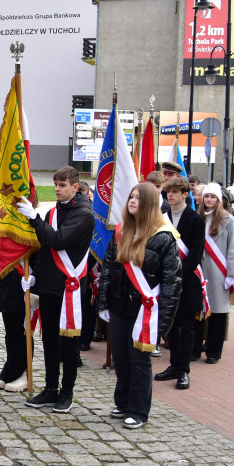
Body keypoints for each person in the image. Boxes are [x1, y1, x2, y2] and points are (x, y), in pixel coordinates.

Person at [98, 183, 181, 429]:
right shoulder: (122, 231)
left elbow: (172, 284)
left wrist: (163, 323)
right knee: (121, 358)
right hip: (120, 304)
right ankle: (122, 403)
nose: (132, 201)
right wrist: (104, 301)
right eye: (131, 196)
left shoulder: (165, 237)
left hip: (146, 310)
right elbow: (108, 269)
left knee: (139, 359)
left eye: (138, 198)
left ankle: (139, 410)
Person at [15, 166, 94, 414]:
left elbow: (59, 240)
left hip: (68, 289)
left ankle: (66, 392)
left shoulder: (84, 214)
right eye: (56, 185)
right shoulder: (54, 212)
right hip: (49, 286)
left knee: (68, 343)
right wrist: (34, 274)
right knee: (49, 340)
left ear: (75, 187)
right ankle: (50, 388)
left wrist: (35, 219)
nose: (57, 189)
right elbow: (44, 248)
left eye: (62, 185)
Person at [154, 176, 204, 391]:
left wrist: (178, 275)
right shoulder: (161, 218)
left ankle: (184, 370)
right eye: (168, 192)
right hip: (166, 281)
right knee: (170, 326)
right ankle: (174, 365)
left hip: (187, 280)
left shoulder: (195, 220)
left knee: (186, 326)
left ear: (185, 194)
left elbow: (196, 253)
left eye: (175, 192)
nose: (170, 195)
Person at [195, 183, 234, 364]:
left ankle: (214, 351)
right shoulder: (197, 218)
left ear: (219, 199)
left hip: (220, 272)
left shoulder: (228, 220)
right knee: (198, 311)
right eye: (206, 196)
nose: (209, 200)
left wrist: (232, 273)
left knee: (218, 313)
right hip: (199, 271)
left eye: (213, 197)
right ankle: (194, 349)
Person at [0, 242, 35, 391]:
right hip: (6, 288)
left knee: (23, 333)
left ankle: (22, 372)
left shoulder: (32, 229)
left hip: (24, 286)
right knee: (10, 333)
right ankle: (10, 368)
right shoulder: (5, 230)